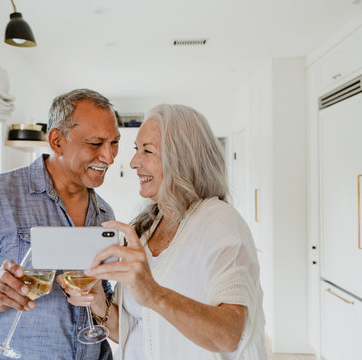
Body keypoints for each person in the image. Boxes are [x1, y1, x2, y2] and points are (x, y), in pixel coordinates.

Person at [58, 104, 267, 359]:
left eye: (148, 151)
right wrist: (98, 300)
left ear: (183, 158)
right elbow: (134, 329)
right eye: (137, 150)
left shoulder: (219, 221)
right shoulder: (147, 227)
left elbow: (229, 335)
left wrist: (155, 294)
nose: (134, 162)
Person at [0, 88, 121, 360]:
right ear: (57, 141)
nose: (109, 157)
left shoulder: (105, 213)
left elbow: (102, 301)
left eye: (114, 142)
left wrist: (101, 302)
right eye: (95, 143)